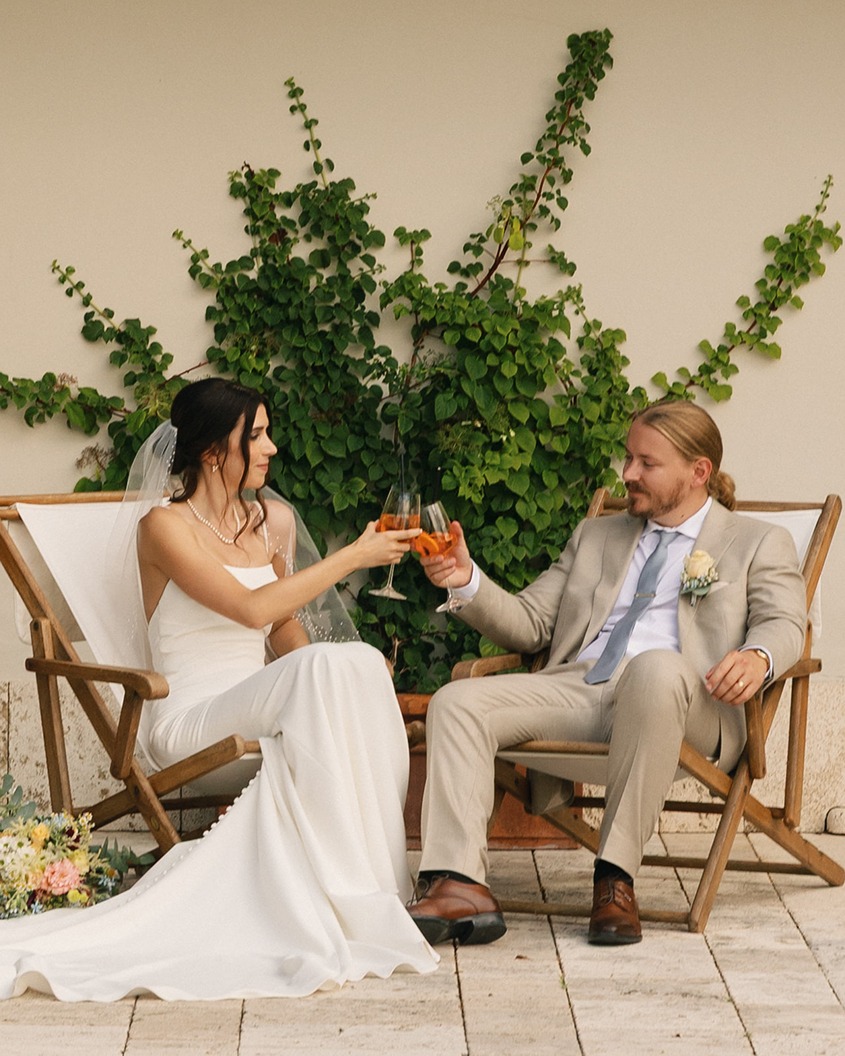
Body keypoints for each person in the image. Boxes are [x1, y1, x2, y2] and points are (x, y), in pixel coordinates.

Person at [0, 377, 439, 1000]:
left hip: (263, 705)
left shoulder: (267, 521)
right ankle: (351, 895)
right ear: (213, 452)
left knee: (360, 663)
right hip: (188, 723)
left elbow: (286, 629)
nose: (272, 449)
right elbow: (252, 610)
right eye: (255, 436)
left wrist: (341, 684)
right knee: (326, 671)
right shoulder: (164, 527)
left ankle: (382, 892)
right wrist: (353, 556)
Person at [409, 399, 806, 946]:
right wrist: (465, 578)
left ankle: (614, 880)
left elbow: (787, 622)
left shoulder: (758, 541)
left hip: (687, 703)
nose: (628, 474)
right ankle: (458, 884)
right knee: (456, 701)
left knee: (657, 668)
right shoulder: (598, 535)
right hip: (581, 688)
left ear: (699, 472)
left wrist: (757, 657)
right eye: (628, 458)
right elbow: (530, 624)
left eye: (647, 463)